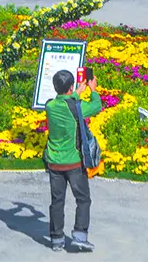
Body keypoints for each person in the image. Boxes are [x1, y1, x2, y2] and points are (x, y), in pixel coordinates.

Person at [44, 68, 101, 252]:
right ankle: (80, 235)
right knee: (83, 199)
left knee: (57, 201)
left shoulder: (50, 106)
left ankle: (56, 239)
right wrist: (92, 89)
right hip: (74, 162)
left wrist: (77, 92)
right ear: (70, 87)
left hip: (54, 162)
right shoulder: (77, 108)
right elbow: (96, 106)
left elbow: (68, 103)